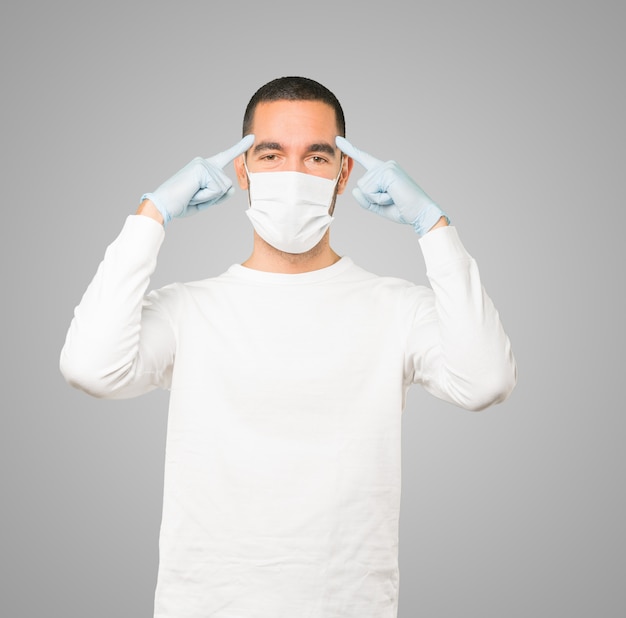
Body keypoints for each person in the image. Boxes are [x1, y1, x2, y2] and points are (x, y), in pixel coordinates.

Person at [60, 76, 516, 618]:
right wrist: (152, 214)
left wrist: (433, 226)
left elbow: (485, 381)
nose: (294, 175)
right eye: (271, 154)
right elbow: (91, 368)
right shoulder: (189, 310)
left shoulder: (396, 308)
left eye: (317, 157)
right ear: (243, 171)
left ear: (344, 173)